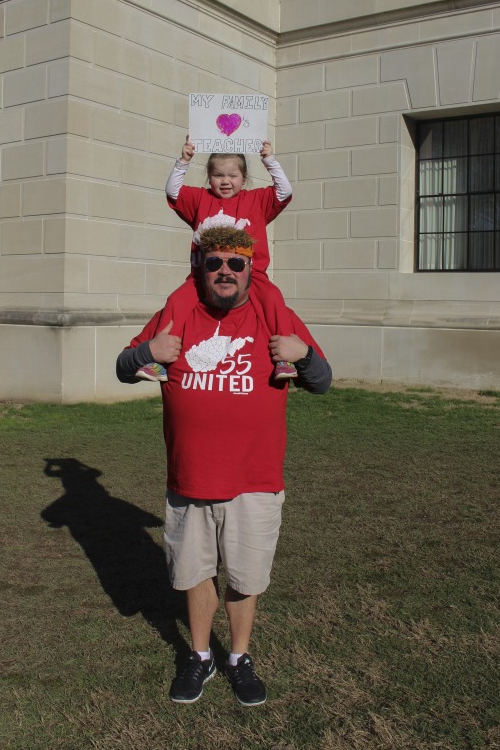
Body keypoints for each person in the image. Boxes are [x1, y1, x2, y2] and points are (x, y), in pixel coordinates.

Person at [117, 225, 332, 707]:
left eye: (235, 263)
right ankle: (199, 655)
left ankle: (237, 656)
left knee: (245, 576)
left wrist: (305, 356)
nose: (225, 272)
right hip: (191, 477)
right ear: (200, 267)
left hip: (254, 481)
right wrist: (146, 353)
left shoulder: (273, 316)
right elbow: (123, 366)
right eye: (214, 263)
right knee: (194, 572)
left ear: (251, 268)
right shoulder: (178, 313)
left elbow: (322, 382)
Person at [135, 135, 298, 384]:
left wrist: (270, 160)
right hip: (204, 275)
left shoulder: (256, 200)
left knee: (274, 299)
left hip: (250, 276)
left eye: (233, 175)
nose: (225, 181)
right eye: (218, 175)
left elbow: (285, 191)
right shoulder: (201, 199)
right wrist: (184, 160)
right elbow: (173, 191)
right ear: (209, 177)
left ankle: (285, 359)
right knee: (176, 301)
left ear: (244, 178)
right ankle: (159, 361)